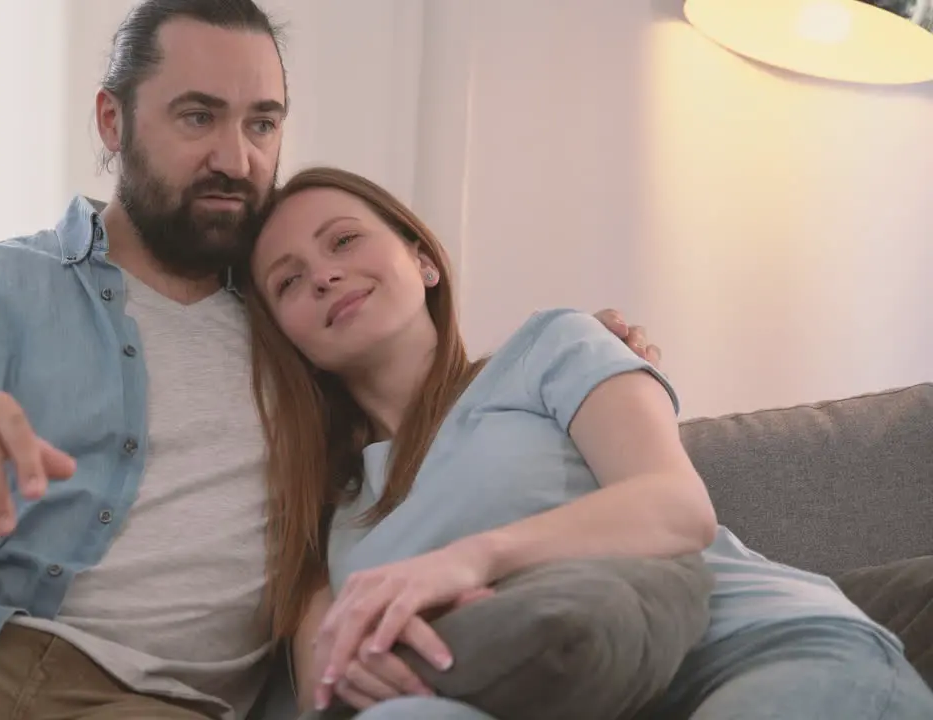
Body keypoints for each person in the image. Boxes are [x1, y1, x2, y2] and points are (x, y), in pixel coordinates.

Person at [0, 3, 659, 720]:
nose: (236, 158)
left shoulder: (300, 325)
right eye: (197, 117)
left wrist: (585, 359)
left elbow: (434, 408)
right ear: (113, 125)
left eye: (262, 123)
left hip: (160, 702)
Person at [242, 165, 933, 719]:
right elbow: (317, 695)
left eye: (342, 241)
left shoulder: (553, 345)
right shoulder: (330, 521)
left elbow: (673, 506)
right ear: (291, 341)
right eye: (290, 282)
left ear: (423, 260)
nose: (324, 275)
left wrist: (468, 560)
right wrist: (356, 670)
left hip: (751, 649)